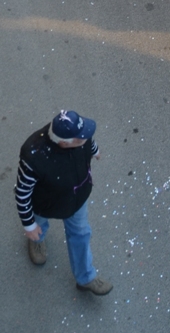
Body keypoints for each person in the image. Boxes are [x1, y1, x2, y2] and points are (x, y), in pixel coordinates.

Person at [15, 109, 112, 294]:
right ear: (63, 143)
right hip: (45, 204)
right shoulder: (33, 156)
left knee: (81, 233)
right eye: (81, 139)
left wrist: (95, 151)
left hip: (76, 199)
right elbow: (22, 192)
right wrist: (29, 225)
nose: (87, 138)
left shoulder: (80, 136)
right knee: (39, 225)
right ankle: (37, 239)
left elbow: (89, 142)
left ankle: (86, 277)